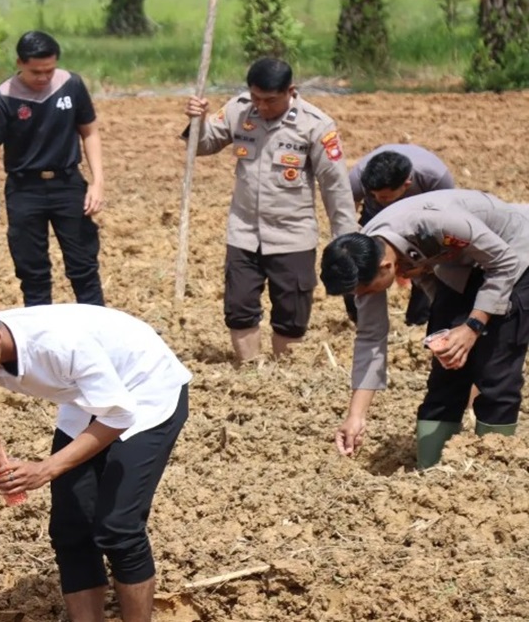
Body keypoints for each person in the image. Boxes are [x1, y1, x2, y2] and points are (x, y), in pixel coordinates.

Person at [0, 286, 190, 622]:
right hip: (83, 398)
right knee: (70, 528)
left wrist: (46, 469)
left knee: (119, 527)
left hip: (146, 389)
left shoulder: (58, 343)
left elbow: (119, 416)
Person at [321, 189, 528, 469]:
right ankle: (432, 469)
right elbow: (371, 338)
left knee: (496, 371)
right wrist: (356, 416)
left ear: (386, 266)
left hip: (514, 253)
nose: (365, 297)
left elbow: (504, 262)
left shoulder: (438, 224)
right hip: (462, 266)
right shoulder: (364, 254)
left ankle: (494, 470)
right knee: (447, 367)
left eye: (366, 291)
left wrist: (473, 326)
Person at [182, 57, 356, 363]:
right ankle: (251, 370)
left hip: (293, 236)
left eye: (269, 100)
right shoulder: (239, 109)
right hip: (244, 232)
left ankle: (283, 372)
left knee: (292, 314)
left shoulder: (315, 125)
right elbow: (203, 145)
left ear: (291, 91)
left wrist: (346, 241)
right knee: (239, 308)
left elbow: (336, 187)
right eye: (256, 99)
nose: (261, 107)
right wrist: (199, 121)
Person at [0, 30, 106, 307]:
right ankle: (40, 333)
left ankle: (97, 326)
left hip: (68, 184)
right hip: (24, 189)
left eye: (49, 70)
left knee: (83, 266)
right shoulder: (3, 96)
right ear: (20, 63)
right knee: (33, 272)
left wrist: (97, 182)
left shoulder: (71, 85)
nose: (43, 78)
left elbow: (89, 132)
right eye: (36, 72)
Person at [343, 144, 456, 325]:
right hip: (374, 217)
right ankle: (359, 318)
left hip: (421, 219)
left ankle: (418, 321)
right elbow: (345, 221)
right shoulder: (357, 179)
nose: (380, 199)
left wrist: (428, 263)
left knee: (426, 265)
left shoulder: (435, 178)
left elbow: (447, 222)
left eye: (385, 197)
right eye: (374, 195)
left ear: (407, 185)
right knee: (358, 264)